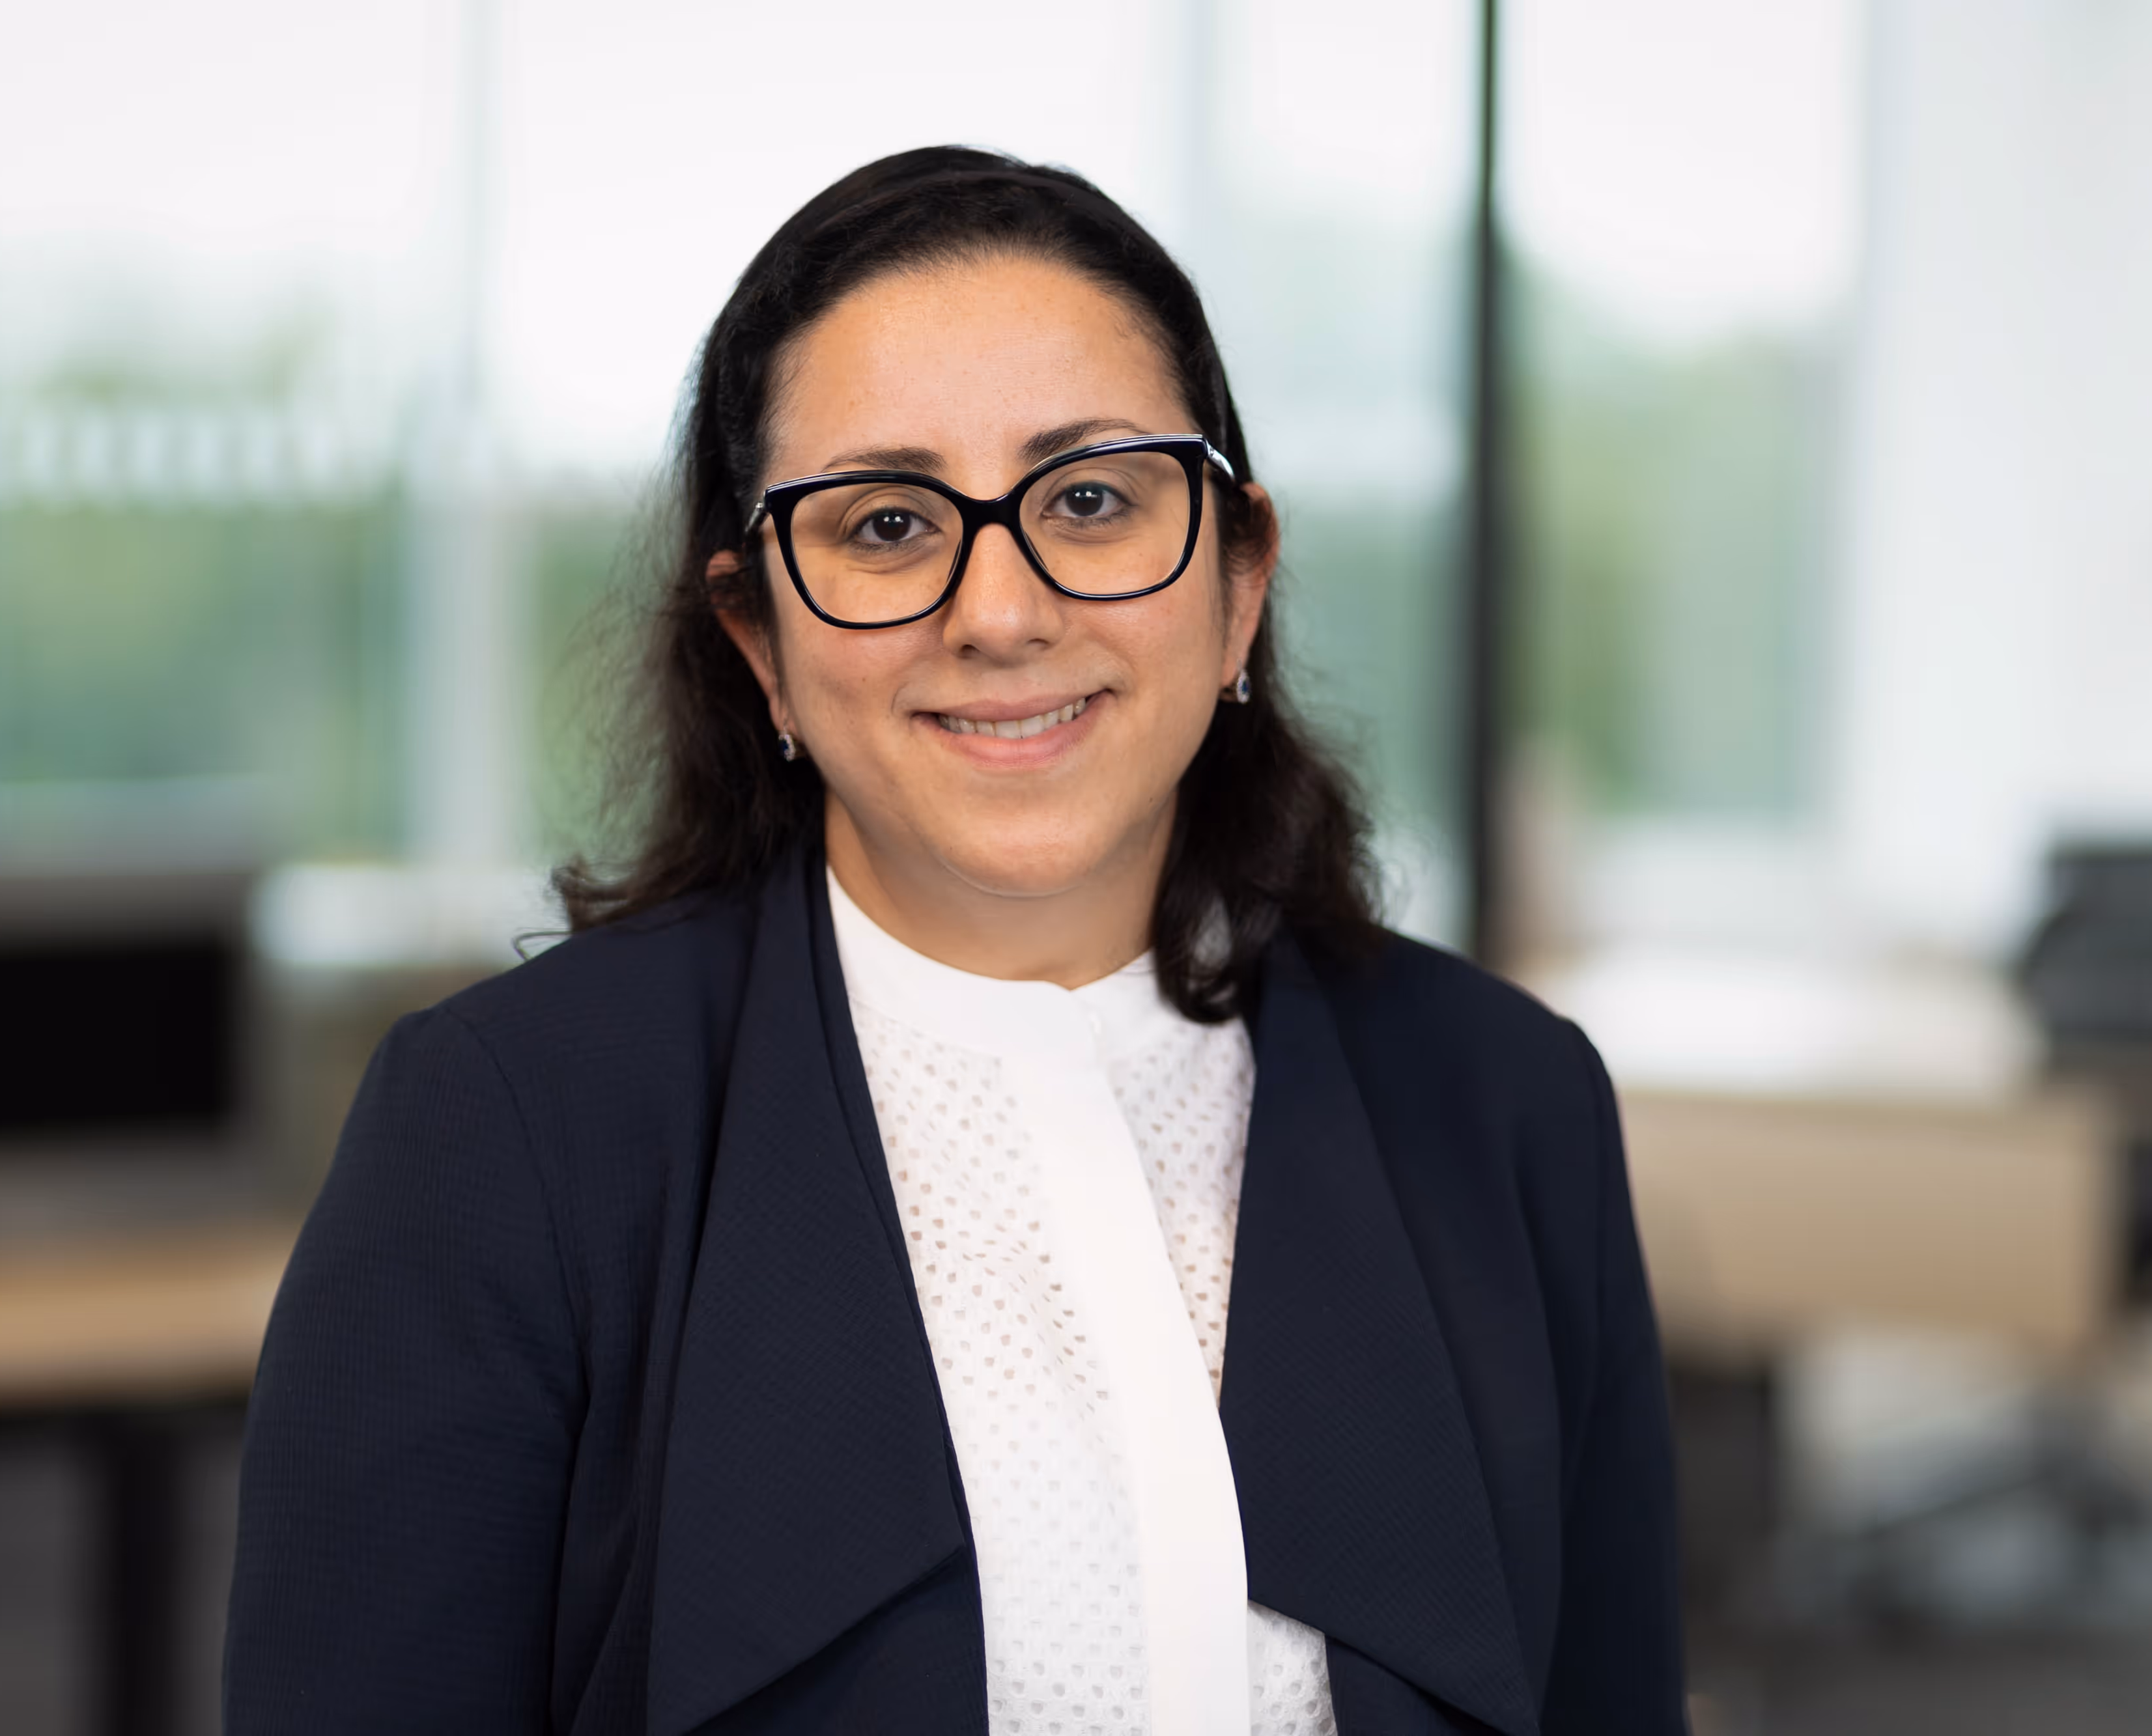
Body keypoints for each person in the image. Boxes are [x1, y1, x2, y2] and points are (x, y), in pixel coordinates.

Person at [224, 146, 1686, 1736]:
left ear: (1236, 582)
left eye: (1089, 499)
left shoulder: (1506, 1105)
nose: (997, 610)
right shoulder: (504, 1137)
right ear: (758, 641)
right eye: (883, 526)